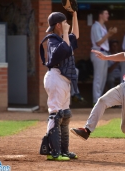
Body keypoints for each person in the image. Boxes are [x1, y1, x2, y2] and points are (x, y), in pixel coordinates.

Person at [39, 12, 79, 161]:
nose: (66, 25)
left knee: (65, 115)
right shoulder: (53, 40)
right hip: (55, 78)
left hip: (63, 80)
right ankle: (54, 151)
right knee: (56, 114)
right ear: (58, 25)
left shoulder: (63, 38)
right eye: (64, 22)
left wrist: (74, 14)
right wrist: (67, 32)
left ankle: (64, 150)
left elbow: (76, 36)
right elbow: (65, 50)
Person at [90, 9, 117, 105]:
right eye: (106, 13)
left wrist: (110, 34)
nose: (108, 15)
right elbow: (98, 42)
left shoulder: (103, 26)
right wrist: (109, 34)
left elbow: (104, 40)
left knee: (103, 78)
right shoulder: (96, 26)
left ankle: (98, 100)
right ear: (100, 15)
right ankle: (95, 100)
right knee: (98, 78)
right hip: (98, 52)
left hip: (104, 53)